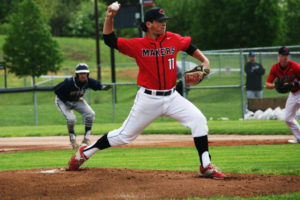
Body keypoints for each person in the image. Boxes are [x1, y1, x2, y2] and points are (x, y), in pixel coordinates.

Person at [68, 5, 225, 179]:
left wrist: (205, 60)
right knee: (123, 136)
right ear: (148, 24)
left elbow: (188, 46)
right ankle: (86, 152)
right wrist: (110, 17)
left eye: (165, 21)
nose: (164, 24)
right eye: (160, 21)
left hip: (172, 97)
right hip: (148, 99)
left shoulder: (173, 39)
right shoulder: (138, 45)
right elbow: (109, 40)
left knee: (198, 120)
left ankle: (205, 165)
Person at [54, 63, 111, 149]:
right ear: (77, 74)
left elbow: (96, 84)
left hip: (76, 100)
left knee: (90, 114)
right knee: (71, 119)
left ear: (87, 74)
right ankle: (73, 140)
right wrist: (66, 102)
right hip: (62, 101)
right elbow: (57, 90)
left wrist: (102, 87)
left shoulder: (88, 81)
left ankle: (86, 139)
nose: (83, 75)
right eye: (81, 73)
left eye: (85, 73)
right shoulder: (69, 82)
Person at [265, 46, 300, 144]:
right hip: (293, 94)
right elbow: (267, 85)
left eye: (287, 55)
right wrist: (276, 86)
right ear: (279, 55)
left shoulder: (295, 66)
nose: (286, 57)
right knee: (288, 118)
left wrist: (293, 84)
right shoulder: (275, 68)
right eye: (283, 55)